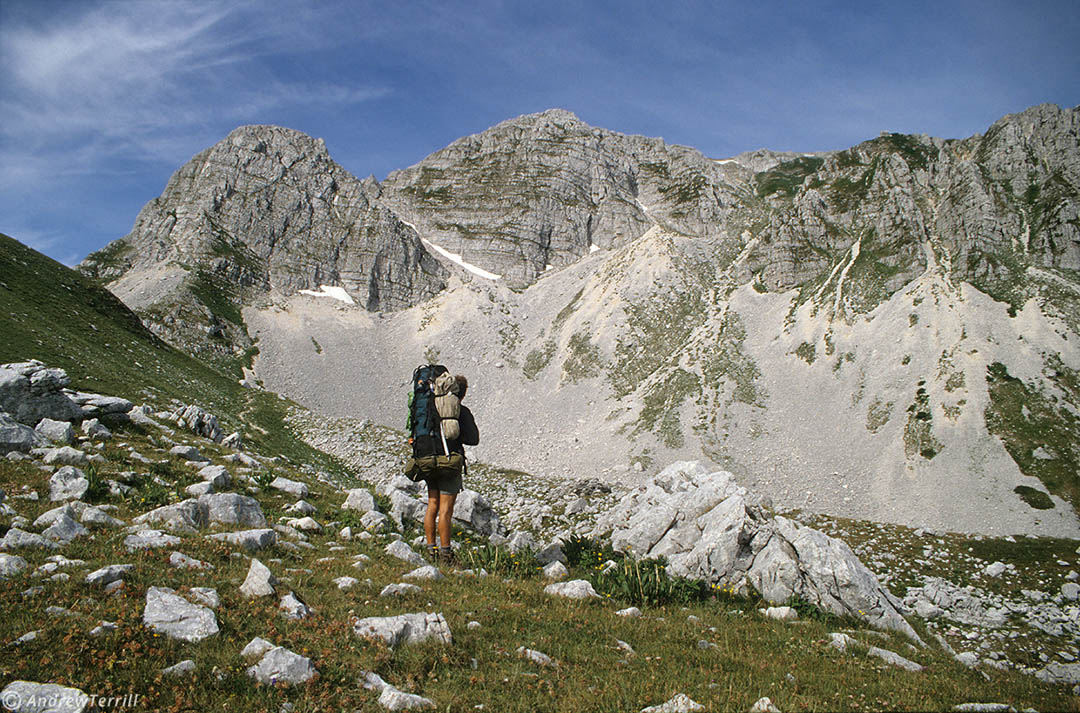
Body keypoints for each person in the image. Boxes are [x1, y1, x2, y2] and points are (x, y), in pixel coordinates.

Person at [424, 374, 478, 565]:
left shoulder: (430, 408)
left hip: (429, 461)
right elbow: (474, 439)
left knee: (432, 505)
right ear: (461, 394)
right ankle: (446, 556)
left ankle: (431, 551)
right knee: (445, 510)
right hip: (449, 462)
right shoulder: (460, 411)